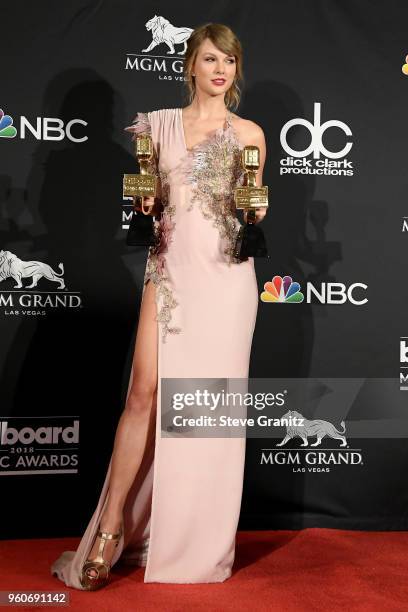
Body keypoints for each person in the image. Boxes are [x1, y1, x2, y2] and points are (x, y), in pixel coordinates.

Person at [51, 22, 267, 590]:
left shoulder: (249, 133)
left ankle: (192, 539)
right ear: (190, 65)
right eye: (210, 59)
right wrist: (146, 201)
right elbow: (151, 203)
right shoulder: (158, 126)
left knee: (204, 412)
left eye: (229, 61)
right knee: (142, 393)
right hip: (169, 272)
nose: (220, 69)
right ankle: (110, 526)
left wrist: (254, 213)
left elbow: (250, 212)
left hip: (226, 280)